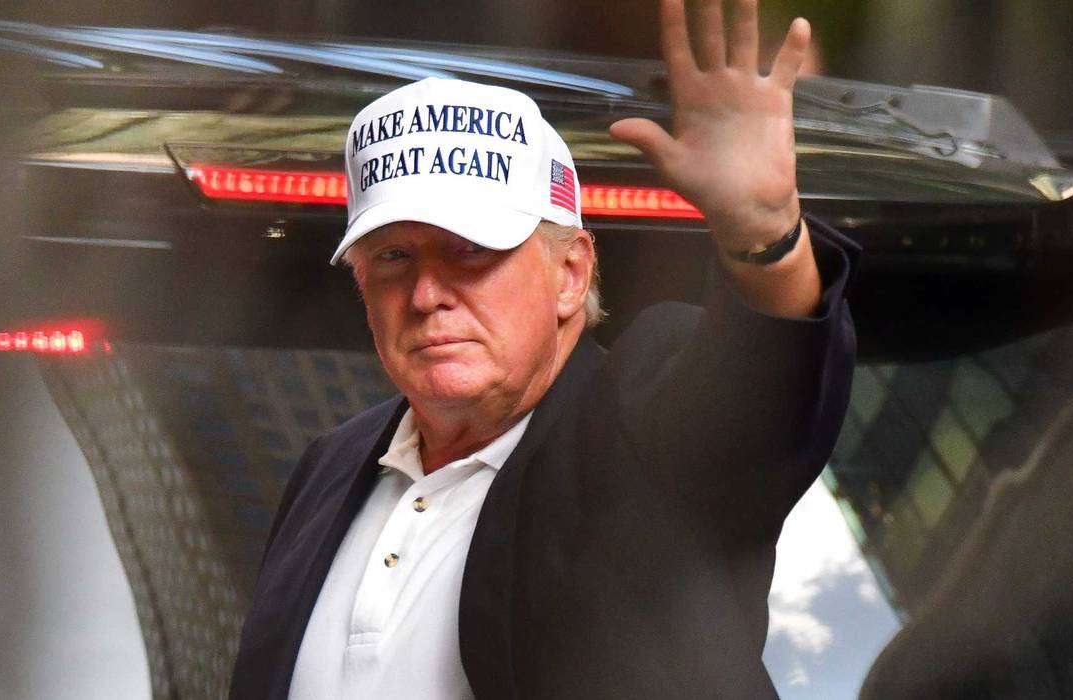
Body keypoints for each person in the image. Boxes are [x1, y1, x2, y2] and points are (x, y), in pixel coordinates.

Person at [228, 0, 857, 697]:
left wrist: (764, 234)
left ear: (570, 274)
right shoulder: (333, 463)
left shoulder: (642, 431)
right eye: (393, 256)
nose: (426, 294)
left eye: (471, 251)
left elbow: (763, 392)